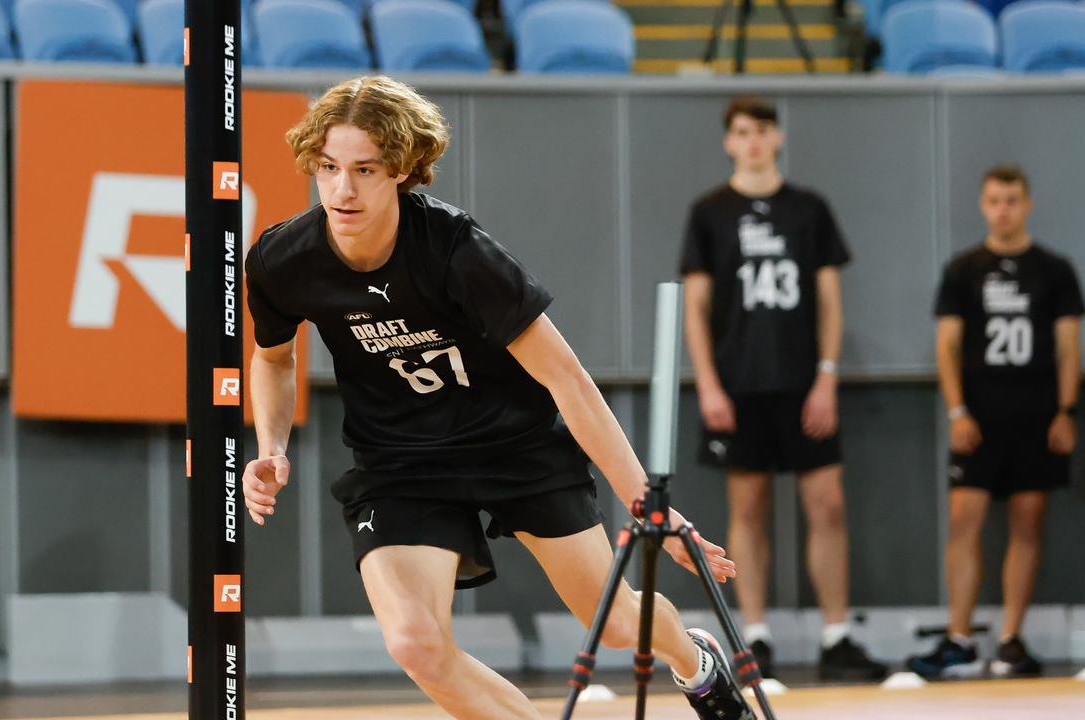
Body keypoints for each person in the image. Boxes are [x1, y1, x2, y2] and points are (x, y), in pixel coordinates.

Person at [243, 76, 755, 720]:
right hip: (400, 462)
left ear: (401, 170)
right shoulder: (282, 259)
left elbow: (566, 378)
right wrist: (272, 445)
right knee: (416, 645)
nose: (341, 190)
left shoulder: (457, 251)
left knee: (621, 624)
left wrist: (648, 509)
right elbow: (273, 359)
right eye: (328, 167)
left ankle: (696, 662)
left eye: (364, 170)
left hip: (514, 443)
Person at [680, 96, 887, 681]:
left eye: (762, 131)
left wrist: (826, 376)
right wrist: (710, 386)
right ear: (728, 142)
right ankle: (754, 637)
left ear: (777, 138)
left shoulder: (808, 209)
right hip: (739, 382)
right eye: (742, 132)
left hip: (803, 382)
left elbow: (828, 300)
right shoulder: (709, 212)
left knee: (828, 504)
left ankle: (837, 635)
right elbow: (695, 309)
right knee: (748, 507)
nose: (752, 142)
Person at [908, 165, 1082, 679]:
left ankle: (1011, 640)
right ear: (983, 206)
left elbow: (1070, 346)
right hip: (979, 417)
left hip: (1036, 414)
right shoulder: (964, 269)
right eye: (994, 200)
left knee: (1029, 525)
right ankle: (959, 637)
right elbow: (947, 345)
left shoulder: (1055, 270)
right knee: (965, 523)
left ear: (1027, 203)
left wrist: (1065, 411)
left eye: (1011, 199)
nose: (1003, 209)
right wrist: (958, 410)